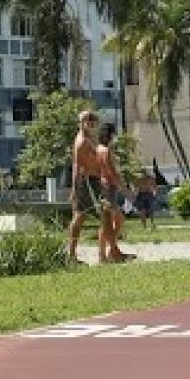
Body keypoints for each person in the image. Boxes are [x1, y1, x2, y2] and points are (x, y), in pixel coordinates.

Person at [66, 109, 114, 264]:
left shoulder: (89, 139)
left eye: (93, 120)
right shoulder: (81, 142)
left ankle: (102, 254)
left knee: (84, 216)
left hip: (94, 180)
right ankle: (105, 254)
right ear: (81, 123)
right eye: (88, 120)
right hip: (87, 182)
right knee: (98, 215)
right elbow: (76, 166)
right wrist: (74, 189)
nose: (92, 122)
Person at [97, 122, 134, 262]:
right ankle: (111, 252)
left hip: (103, 187)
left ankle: (106, 252)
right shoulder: (106, 151)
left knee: (108, 222)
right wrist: (125, 189)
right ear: (110, 135)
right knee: (116, 220)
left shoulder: (98, 149)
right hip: (108, 188)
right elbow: (112, 172)